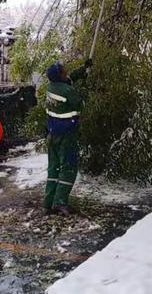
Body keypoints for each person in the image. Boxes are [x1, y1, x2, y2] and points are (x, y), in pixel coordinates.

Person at [44, 59, 92, 215]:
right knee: (68, 168)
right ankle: (60, 202)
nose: (66, 71)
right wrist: (85, 91)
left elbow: (70, 78)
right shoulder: (67, 91)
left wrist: (84, 69)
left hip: (53, 134)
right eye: (63, 70)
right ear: (60, 75)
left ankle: (49, 201)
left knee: (54, 168)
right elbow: (81, 104)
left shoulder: (52, 87)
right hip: (66, 136)